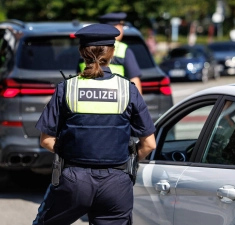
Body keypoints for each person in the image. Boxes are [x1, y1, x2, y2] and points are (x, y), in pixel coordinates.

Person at [33, 24, 156, 225]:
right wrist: (128, 161)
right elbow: (149, 144)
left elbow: (46, 140)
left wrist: (72, 152)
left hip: (74, 179)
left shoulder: (67, 89)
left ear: (82, 52)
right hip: (117, 183)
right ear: (112, 53)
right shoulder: (128, 90)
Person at [78, 12, 143, 94]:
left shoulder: (86, 47)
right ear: (116, 28)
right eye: (121, 26)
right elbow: (135, 81)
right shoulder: (123, 49)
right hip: (118, 97)